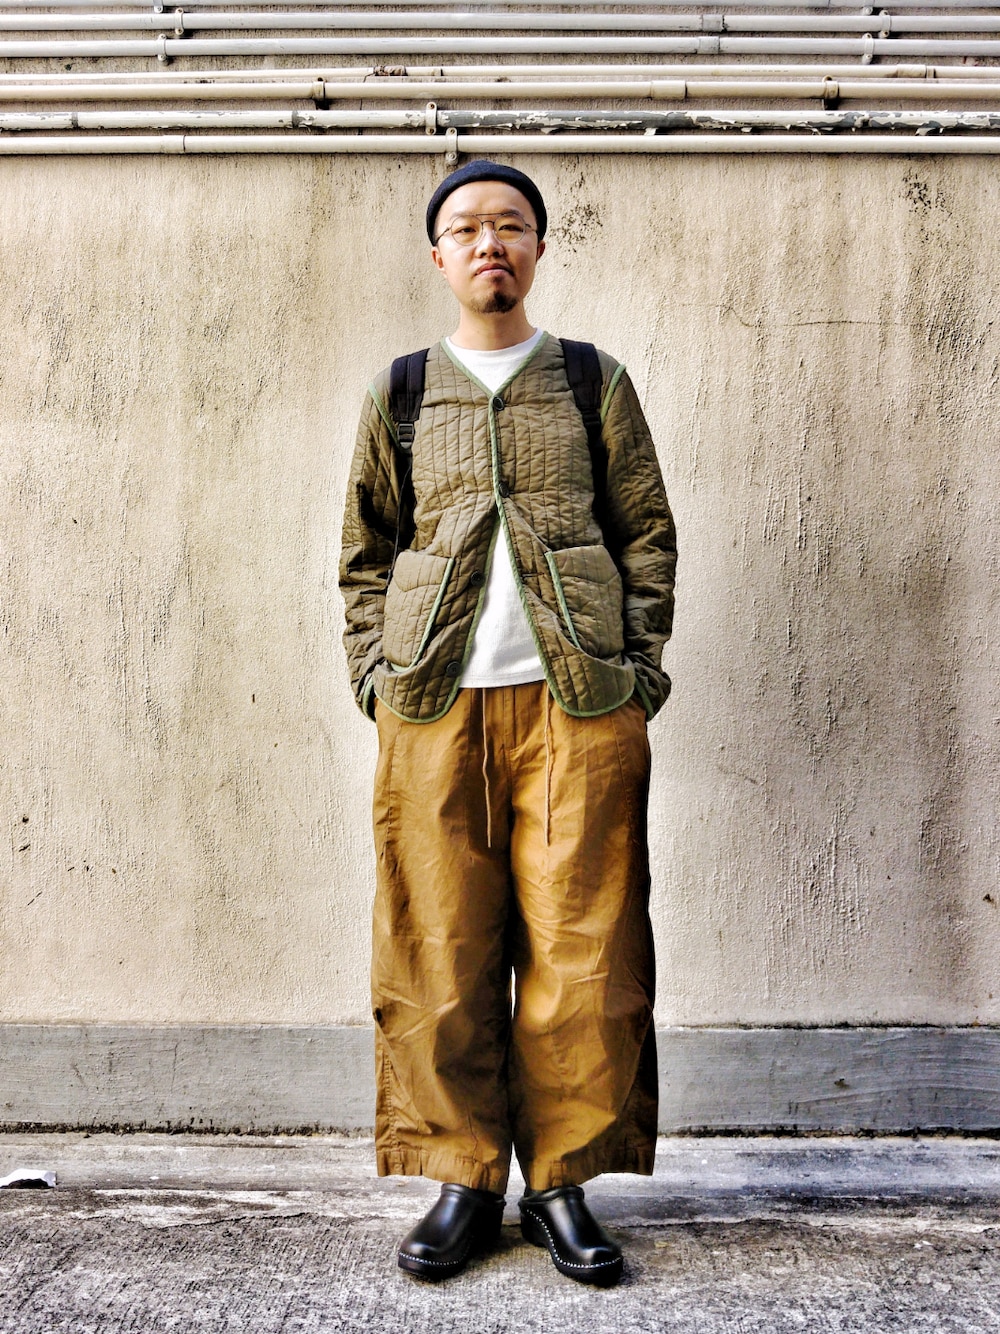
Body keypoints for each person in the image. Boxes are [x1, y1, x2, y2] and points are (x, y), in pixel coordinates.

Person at [339, 161, 676, 1287]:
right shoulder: (400, 393)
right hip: (432, 710)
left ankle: (562, 1182)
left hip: (580, 707)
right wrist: (374, 678)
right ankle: (463, 1179)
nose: (491, 242)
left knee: (585, 953)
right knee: (438, 947)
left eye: (512, 225)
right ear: (438, 255)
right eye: (469, 228)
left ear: (538, 246)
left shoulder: (590, 382)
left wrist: (638, 674)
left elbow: (646, 535)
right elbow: (365, 553)